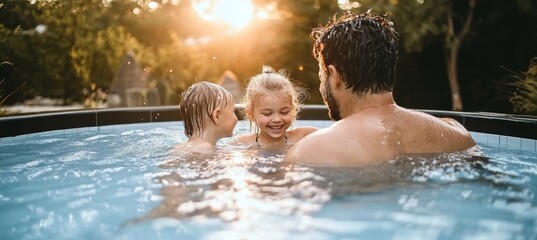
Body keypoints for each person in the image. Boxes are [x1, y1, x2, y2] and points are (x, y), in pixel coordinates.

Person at [285, 11, 476, 166]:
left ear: (335, 76)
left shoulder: (310, 151)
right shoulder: (458, 135)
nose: (321, 85)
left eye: (322, 77)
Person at [234, 66, 318, 147]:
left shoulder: (303, 136)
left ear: (293, 110)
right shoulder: (241, 143)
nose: (277, 119)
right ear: (250, 114)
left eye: (284, 112)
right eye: (267, 114)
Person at [176, 81, 238, 155]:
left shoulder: (181, 147)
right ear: (217, 116)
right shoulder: (204, 148)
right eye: (233, 110)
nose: (235, 116)